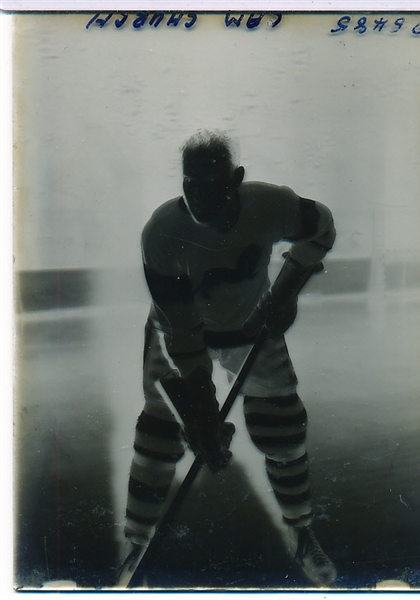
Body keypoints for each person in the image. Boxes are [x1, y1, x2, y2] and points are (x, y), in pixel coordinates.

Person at [122, 130, 337, 587]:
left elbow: (322, 227)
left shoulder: (273, 206)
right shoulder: (162, 233)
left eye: (213, 187)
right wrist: (199, 408)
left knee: (284, 433)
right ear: (182, 186)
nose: (201, 199)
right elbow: (181, 330)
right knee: (158, 437)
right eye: (190, 186)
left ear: (237, 179)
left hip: (250, 328)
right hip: (174, 336)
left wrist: (287, 290)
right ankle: (136, 543)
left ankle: (301, 532)